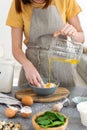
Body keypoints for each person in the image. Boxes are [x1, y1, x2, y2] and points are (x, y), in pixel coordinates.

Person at [6, 0, 84, 88]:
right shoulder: (18, 3)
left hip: (63, 69)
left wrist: (74, 33)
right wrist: (27, 65)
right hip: (33, 70)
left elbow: (81, 37)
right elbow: (16, 48)